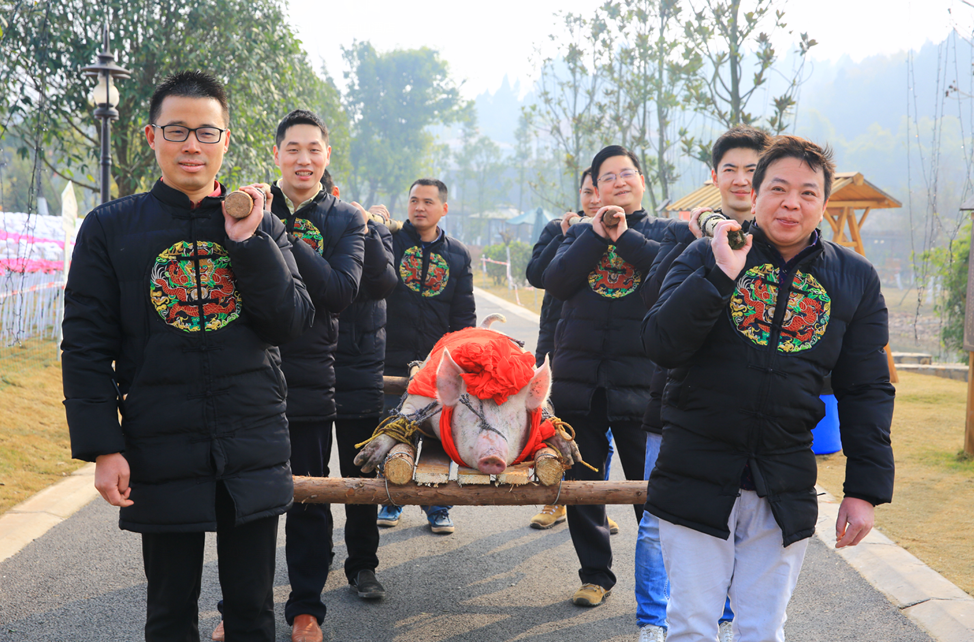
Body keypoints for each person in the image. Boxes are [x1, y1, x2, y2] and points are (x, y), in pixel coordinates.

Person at [61, 71, 314, 642]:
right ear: (152, 136)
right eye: (177, 131)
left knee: (251, 611)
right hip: (160, 443)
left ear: (226, 140)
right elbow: (84, 343)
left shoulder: (261, 221)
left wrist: (248, 242)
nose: (192, 145)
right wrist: (104, 445)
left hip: (251, 439)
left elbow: (291, 322)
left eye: (206, 132)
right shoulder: (110, 228)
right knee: (170, 611)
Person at [643, 135, 895, 642]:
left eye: (807, 193)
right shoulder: (707, 253)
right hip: (695, 469)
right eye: (778, 188)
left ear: (824, 203)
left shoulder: (854, 279)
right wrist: (718, 275)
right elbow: (660, 344)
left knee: (762, 627)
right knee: (692, 624)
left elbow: (866, 387)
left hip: (783, 478)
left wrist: (865, 490)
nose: (791, 203)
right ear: (754, 195)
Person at [634, 125, 770, 642]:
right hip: (676, 402)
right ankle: (653, 618)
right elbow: (654, 303)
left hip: (747, 412)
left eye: (753, 170)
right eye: (730, 169)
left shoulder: (780, 242)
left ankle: (730, 617)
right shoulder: (680, 234)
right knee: (658, 520)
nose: (741, 180)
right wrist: (697, 247)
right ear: (714, 177)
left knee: (743, 521)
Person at [543, 145, 673, 607]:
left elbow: (664, 274)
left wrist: (622, 236)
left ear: (641, 181)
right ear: (594, 189)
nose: (619, 182)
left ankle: (660, 589)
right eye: (608, 177)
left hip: (645, 384)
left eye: (627, 174)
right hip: (581, 381)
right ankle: (595, 575)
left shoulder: (665, 232)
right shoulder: (579, 233)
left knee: (651, 493)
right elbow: (555, 282)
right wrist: (596, 235)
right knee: (583, 484)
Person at [269, 110, 365, 642]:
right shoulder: (246, 205)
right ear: (277, 153)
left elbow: (338, 292)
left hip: (311, 376)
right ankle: (241, 603)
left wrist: (279, 234)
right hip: (249, 375)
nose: (303, 159)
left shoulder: (345, 219)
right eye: (293, 149)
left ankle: (306, 609)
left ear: (327, 156)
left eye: (314, 149)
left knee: (307, 496)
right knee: (247, 499)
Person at [376, 178, 476, 534]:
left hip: (439, 362)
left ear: (443, 209)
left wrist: (461, 360)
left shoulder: (458, 255)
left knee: (439, 436)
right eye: (414, 200)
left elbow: (465, 317)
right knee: (393, 429)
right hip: (391, 356)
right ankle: (390, 499)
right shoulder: (389, 241)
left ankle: (438, 507)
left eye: (428, 202)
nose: (420, 207)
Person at [524, 168, 618, 535]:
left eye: (600, 189)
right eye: (587, 191)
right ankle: (554, 499)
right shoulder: (557, 227)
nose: (594, 198)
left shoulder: (624, 235)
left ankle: (596, 501)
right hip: (557, 340)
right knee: (553, 424)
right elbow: (535, 274)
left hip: (602, 350)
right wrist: (564, 236)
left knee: (599, 436)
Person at [331, 198, 397, 599]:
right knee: (306, 476)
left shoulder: (372, 229)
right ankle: (313, 552)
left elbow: (382, 282)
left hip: (359, 373)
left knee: (361, 477)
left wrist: (369, 227)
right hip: (301, 374)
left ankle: (362, 566)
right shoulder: (291, 227)